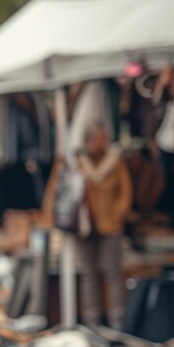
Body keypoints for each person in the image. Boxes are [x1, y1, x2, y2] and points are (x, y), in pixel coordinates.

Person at [44, 122, 132, 328]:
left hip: (109, 224)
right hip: (82, 226)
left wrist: (118, 214)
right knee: (89, 275)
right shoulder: (75, 161)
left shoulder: (114, 160)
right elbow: (58, 191)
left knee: (112, 273)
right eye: (96, 140)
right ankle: (92, 323)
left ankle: (117, 321)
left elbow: (125, 192)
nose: (99, 145)